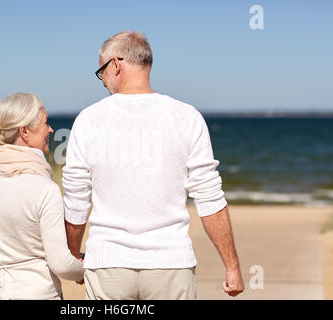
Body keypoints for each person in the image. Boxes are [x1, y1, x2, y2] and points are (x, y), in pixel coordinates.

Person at [63, 31, 245, 300]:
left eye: (102, 72)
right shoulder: (187, 117)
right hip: (170, 261)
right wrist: (232, 267)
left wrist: (73, 257)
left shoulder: (88, 120)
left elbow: (76, 199)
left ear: (115, 64)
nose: (103, 82)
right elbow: (209, 198)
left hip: (108, 263)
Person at [0, 92, 84, 300]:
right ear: (25, 132)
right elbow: (61, 264)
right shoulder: (45, 189)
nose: (51, 130)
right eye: (46, 123)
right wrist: (87, 267)